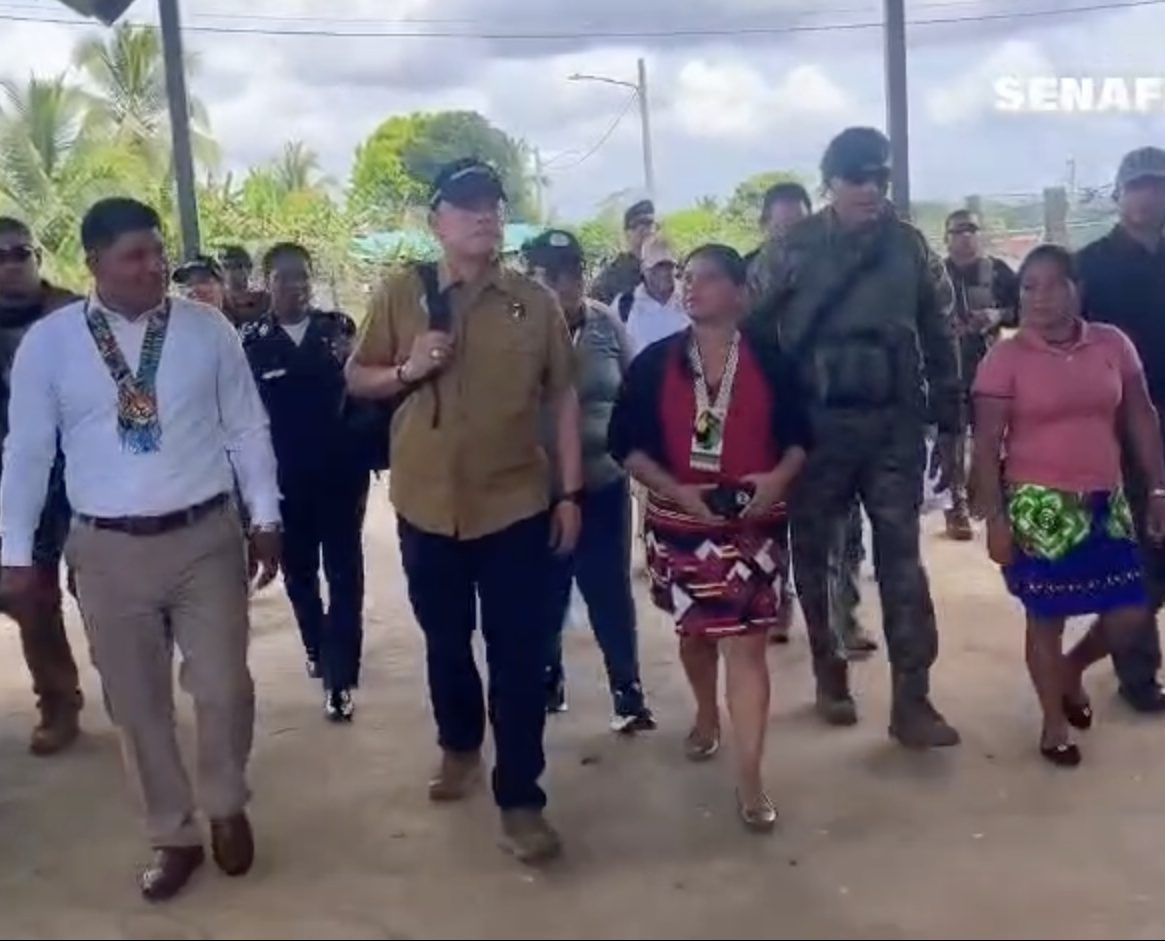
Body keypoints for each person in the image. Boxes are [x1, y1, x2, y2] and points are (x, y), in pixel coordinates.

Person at [0, 198, 282, 902]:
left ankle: (225, 801)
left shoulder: (207, 329)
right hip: (106, 550)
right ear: (94, 262)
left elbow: (246, 426)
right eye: (135, 255)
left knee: (225, 686)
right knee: (136, 702)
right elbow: (28, 452)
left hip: (205, 536)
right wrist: (15, 551)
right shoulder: (51, 344)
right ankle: (173, 833)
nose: (155, 266)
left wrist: (266, 513)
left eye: (158, 251)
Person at [346, 158, 582, 866]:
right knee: (445, 642)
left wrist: (570, 493)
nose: (484, 215)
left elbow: (562, 399)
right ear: (436, 221)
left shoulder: (534, 303)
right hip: (426, 504)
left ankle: (521, 798)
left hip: (515, 504)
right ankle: (459, 745)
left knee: (518, 657)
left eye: (492, 203)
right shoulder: (400, 293)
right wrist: (407, 369)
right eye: (467, 204)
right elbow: (357, 377)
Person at [749, 127, 962, 748]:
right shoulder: (792, 249)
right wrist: (771, 424)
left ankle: (912, 699)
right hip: (817, 431)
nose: (870, 189)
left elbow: (940, 333)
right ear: (830, 184)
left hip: (894, 427)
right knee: (815, 559)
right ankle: (830, 674)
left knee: (903, 565)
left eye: (880, 178)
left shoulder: (909, 248)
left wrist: (951, 423)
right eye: (856, 178)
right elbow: (752, 333)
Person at [609, 244, 810, 831]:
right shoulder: (655, 364)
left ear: (741, 294)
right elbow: (625, 445)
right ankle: (705, 711)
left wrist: (777, 480)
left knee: (747, 647)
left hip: (753, 528)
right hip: (681, 524)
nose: (690, 287)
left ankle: (750, 778)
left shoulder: (773, 362)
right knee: (696, 637)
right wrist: (678, 489)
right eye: (686, 277)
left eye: (708, 278)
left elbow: (802, 438)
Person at [971, 245, 1165, 765]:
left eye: (1055, 284)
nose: (1041, 297)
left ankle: (1071, 668)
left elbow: (1141, 415)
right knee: (1046, 617)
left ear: (1079, 289)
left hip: (1107, 499)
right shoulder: (1005, 358)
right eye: (1029, 286)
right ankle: (1053, 722)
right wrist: (995, 520)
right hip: (1039, 507)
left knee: (1131, 609)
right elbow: (986, 445)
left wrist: (1158, 489)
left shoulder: (1112, 343)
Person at [523, 228, 655, 731]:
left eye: (573, 271)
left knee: (609, 589)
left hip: (604, 481)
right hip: (538, 489)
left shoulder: (605, 323)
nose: (565, 282)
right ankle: (547, 678)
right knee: (544, 590)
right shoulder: (516, 330)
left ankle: (627, 691)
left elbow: (638, 387)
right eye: (551, 274)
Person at [242, 242, 371, 722]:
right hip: (285, 479)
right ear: (266, 282)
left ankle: (341, 676)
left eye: (302, 276)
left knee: (345, 573)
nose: (295, 286)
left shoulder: (338, 329)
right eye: (284, 277)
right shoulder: (250, 341)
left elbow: (361, 392)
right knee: (299, 574)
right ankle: (316, 647)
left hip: (341, 475)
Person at [1076, 145, 1165, 714]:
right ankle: (1137, 672)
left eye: (1157, 185)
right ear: (1117, 195)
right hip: (1121, 425)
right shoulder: (1089, 266)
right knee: (1138, 554)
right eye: (1137, 186)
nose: (1148, 196)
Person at [0, 217, 83, 755]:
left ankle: (130, 687)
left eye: (19, 253)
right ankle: (57, 701)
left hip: (82, 472)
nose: (10, 265)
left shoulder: (74, 316)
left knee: (103, 588)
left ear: (38, 258)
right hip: (16, 478)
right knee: (29, 595)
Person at [942, 209, 1019, 542]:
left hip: (989, 367)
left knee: (992, 435)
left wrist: (996, 315)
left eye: (971, 229)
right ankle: (956, 503)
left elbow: (1024, 308)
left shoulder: (998, 272)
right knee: (951, 438)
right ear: (946, 238)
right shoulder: (934, 274)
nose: (966, 237)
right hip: (946, 369)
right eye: (958, 231)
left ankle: (993, 499)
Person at [620, 236, 689, 355]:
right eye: (658, 267)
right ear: (643, 269)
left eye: (668, 266)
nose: (664, 273)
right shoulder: (625, 305)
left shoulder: (690, 298)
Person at [590, 199, 656, 307]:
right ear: (627, 233)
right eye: (640, 228)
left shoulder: (666, 270)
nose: (648, 231)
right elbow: (595, 309)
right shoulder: (611, 277)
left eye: (650, 226)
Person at [218, 245, 269, 327]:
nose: (230, 272)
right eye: (225, 266)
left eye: (236, 266)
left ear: (249, 268)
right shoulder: (217, 300)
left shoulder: (264, 299)